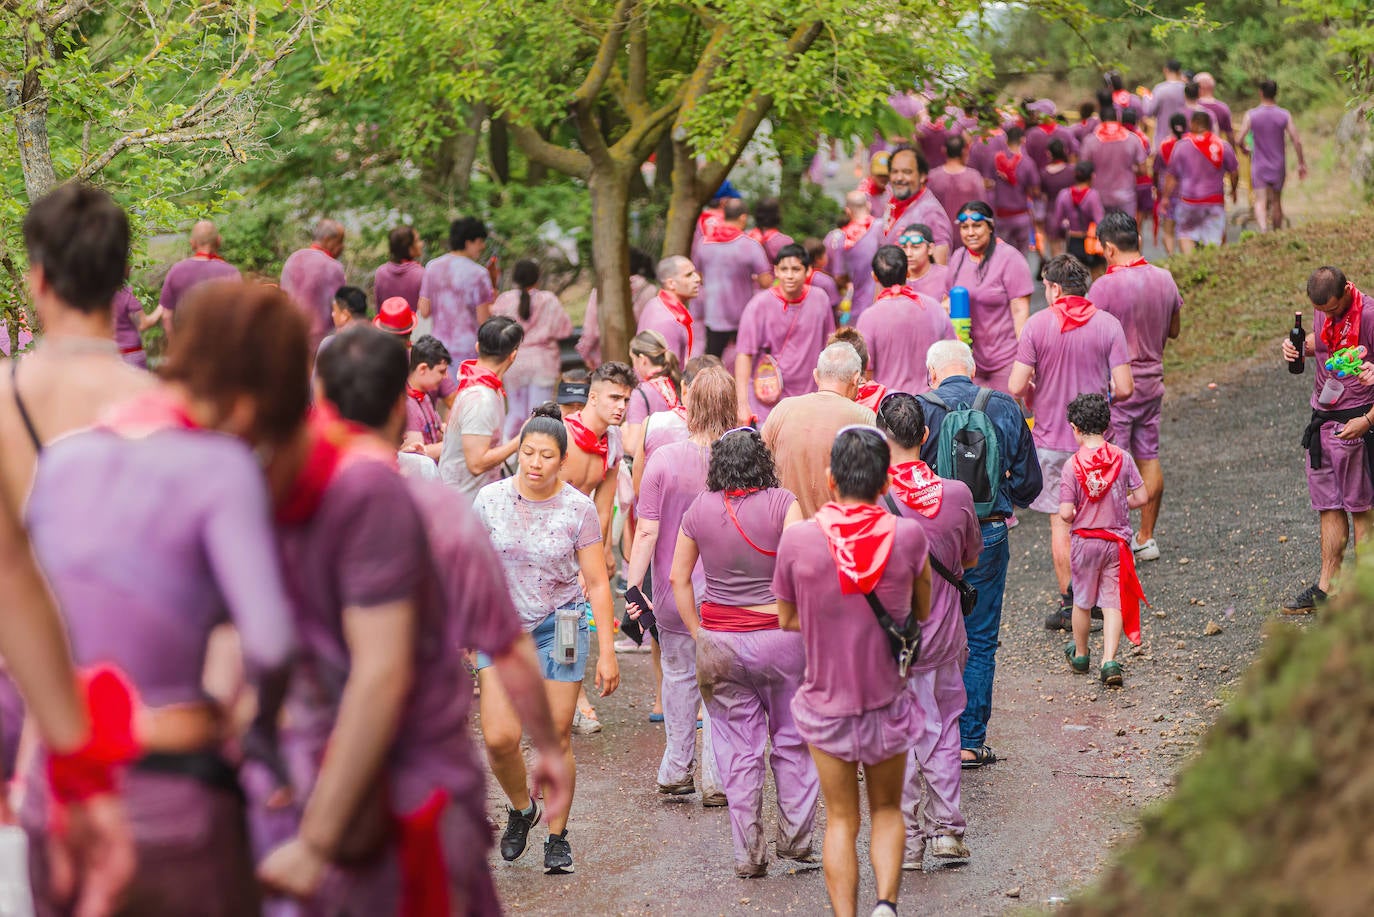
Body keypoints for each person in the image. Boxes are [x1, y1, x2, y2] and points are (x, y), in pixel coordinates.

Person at [23, 280, 303, 916]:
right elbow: (270, 642)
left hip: (59, 794)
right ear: (256, 397)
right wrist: (256, 737)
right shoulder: (219, 467)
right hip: (171, 791)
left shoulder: (62, 460)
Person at [313, 326, 570, 911]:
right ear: (395, 406)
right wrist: (550, 750)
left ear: (324, 403)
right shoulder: (437, 506)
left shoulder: (288, 504)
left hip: (318, 763)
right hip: (421, 772)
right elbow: (503, 637)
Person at [3, 182, 168, 915]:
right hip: (145, 696)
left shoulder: (4, 405)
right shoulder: (168, 411)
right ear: (121, 282)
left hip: (20, 697)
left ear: (36, 278)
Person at [774, 426, 932, 917]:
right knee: (886, 809)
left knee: (840, 819)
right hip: (886, 698)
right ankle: (885, 906)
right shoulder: (908, 536)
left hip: (825, 702)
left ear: (830, 480)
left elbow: (786, 618)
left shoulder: (799, 540)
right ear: (885, 483)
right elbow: (918, 611)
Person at [473, 404, 620, 874]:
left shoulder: (577, 508)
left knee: (555, 735)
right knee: (499, 738)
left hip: (565, 624)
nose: (534, 463)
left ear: (562, 460)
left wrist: (609, 654)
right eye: (528, 453)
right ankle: (522, 808)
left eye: (546, 456)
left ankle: (557, 838)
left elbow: (597, 583)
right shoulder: (490, 500)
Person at [672, 427, 815, 877]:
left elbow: (679, 578)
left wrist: (697, 631)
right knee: (793, 740)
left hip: (719, 643)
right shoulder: (783, 503)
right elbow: (804, 568)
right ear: (762, 461)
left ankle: (747, 856)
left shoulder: (699, 509)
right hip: (781, 639)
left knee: (737, 751)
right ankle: (795, 841)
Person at [920, 339, 1041, 767]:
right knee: (981, 639)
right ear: (971, 371)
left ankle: (928, 738)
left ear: (931, 372)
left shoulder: (921, 409)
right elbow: (1030, 485)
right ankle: (969, 742)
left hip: (929, 541)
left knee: (927, 633)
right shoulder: (1004, 407)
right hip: (988, 532)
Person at [875, 393, 981, 868]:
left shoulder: (873, 501)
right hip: (944, 635)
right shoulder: (957, 495)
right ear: (925, 436)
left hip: (889, 642)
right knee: (944, 729)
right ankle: (949, 832)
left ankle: (908, 844)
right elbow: (970, 559)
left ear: (881, 437)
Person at [626, 368, 737, 807]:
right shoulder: (743, 458)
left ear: (689, 405)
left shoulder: (664, 460)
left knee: (677, 677)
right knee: (721, 685)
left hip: (673, 591)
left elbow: (646, 533)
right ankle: (716, 779)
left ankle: (676, 767)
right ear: (730, 407)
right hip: (729, 593)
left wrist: (634, 589)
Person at [1009, 255, 1133, 631]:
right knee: (1100, 521)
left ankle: (1070, 603)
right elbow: (1125, 387)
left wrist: (1035, 389)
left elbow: (1015, 386)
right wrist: (1101, 397)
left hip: (1050, 441)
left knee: (1061, 525)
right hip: (1097, 444)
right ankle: (1099, 598)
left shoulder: (1037, 326)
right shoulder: (1109, 325)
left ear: (1054, 288)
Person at [1088, 211, 1184, 563]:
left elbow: (1091, 337)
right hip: (1153, 382)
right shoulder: (1165, 278)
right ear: (1138, 240)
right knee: (1149, 458)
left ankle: (1119, 539)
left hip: (1119, 387)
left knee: (1114, 464)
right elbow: (1174, 330)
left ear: (1109, 248)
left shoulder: (1103, 287)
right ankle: (1146, 537)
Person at [1281, 267, 1374, 612]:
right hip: (1321, 425)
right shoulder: (1323, 316)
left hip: (1357, 425)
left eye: (1334, 310)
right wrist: (1295, 349)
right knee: (1328, 507)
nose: (1329, 317)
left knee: (1362, 509)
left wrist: (1366, 421)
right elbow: (1321, 347)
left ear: (1348, 291)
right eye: (1323, 311)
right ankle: (1327, 588)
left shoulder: (1369, 315)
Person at [1059, 393, 1149, 687]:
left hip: (1085, 543)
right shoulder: (1123, 458)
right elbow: (1143, 496)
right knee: (1112, 602)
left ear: (1075, 428)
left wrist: (1075, 511)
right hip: (1116, 543)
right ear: (1108, 426)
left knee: (1082, 601)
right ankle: (1109, 660)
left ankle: (1082, 654)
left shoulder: (1072, 465)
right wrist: (1121, 503)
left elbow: (1064, 513)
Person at [762, 343, 875, 518]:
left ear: (816, 376)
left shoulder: (782, 410)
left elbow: (760, 467)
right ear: (856, 379)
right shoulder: (865, 418)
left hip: (786, 534)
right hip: (839, 534)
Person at [734, 243, 836, 426]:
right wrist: (742, 404)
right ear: (776, 271)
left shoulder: (820, 299)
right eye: (784, 269)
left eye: (796, 269)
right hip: (767, 398)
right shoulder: (759, 305)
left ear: (808, 271)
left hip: (809, 397)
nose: (789, 275)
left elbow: (830, 346)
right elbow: (744, 355)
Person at [944, 201, 1034, 394]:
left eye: (977, 226)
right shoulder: (958, 258)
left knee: (1002, 418)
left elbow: (1020, 312)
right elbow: (946, 301)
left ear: (991, 227)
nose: (970, 232)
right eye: (965, 227)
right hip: (969, 359)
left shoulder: (1010, 258)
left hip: (1005, 358)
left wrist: (1025, 358)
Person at [438, 316, 523, 499]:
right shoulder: (480, 399)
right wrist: (520, 440)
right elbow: (476, 464)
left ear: (477, 347)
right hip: (462, 504)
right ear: (513, 355)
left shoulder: (484, 386)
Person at [856, 246, 955, 396]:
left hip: (889, 406)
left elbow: (866, 371)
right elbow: (952, 355)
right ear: (907, 272)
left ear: (874, 277)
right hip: (931, 402)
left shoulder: (869, 317)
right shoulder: (934, 307)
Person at [492, 259, 574, 436]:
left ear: (515, 279)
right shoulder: (548, 300)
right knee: (539, 412)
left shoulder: (504, 300)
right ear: (537, 279)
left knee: (515, 412)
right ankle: (533, 450)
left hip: (514, 362)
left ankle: (506, 454)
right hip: (542, 363)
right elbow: (565, 330)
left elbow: (496, 329)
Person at [692, 198, 773, 359]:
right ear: (743, 218)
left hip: (714, 315)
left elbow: (698, 277)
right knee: (748, 358)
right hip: (744, 315)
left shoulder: (704, 243)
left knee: (712, 361)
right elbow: (766, 282)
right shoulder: (751, 245)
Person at [419, 216, 497, 363]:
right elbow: (483, 320)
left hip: (438, 348)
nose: (483, 246)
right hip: (467, 349)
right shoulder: (479, 274)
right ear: (469, 242)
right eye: (480, 242)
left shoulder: (432, 267)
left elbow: (424, 310)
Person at [1237, 80, 1308, 233]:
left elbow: (1239, 139)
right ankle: (1276, 233)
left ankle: (1263, 230)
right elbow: (1296, 140)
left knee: (1260, 200)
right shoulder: (1284, 114)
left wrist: (1245, 149)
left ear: (1260, 93)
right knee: (1277, 201)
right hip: (1278, 164)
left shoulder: (1252, 115)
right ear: (1276, 93)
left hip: (1259, 164)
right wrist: (1301, 163)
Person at [1164, 110, 1239, 251]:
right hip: (1214, 203)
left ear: (1194, 123)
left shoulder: (1181, 145)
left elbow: (1171, 176)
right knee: (1214, 244)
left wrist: (1166, 198)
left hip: (1188, 202)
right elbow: (1234, 172)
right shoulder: (1223, 146)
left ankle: (1190, 266)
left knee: (1186, 235)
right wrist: (1234, 190)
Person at [157, 219, 241, 338]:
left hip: (187, 345)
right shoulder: (231, 272)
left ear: (192, 243)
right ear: (218, 241)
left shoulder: (177, 270)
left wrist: (173, 344)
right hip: (221, 347)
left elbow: (166, 316)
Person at [581, 248, 659, 367]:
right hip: (644, 359)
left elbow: (590, 330)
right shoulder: (651, 291)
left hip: (608, 357)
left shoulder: (601, 292)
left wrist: (585, 353)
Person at [280, 218, 346, 350]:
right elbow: (342, 310)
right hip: (322, 345)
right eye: (340, 242)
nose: (342, 247)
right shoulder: (334, 267)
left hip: (292, 338)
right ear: (327, 240)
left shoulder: (293, 259)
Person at [881, 147, 953, 264]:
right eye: (895, 172)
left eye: (907, 172)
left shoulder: (931, 212)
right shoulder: (893, 204)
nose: (899, 178)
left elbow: (940, 265)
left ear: (922, 176)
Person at [1079, 106, 1148, 219]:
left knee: (1102, 233)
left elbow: (1083, 169)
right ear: (1117, 119)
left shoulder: (1090, 140)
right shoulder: (1132, 139)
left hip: (1099, 196)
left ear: (1100, 120)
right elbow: (1143, 170)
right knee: (1125, 232)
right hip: (1125, 196)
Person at [624, 330, 683, 458]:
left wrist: (621, 433)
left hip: (656, 467)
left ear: (643, 360)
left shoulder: (640, 393)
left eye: (633, 360)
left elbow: (633, 447)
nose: (634, 366)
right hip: (683, 459)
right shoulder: (679, 383)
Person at [826, 190, 882, 319]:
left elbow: (839, 276)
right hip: (882, 301)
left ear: (847, 211)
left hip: (855, 306)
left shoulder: (839, 238)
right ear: (869, 206)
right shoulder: (883, 228)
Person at [925, 136, 989, 247]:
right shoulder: (973, 177)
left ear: (944, 150)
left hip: (939, 234)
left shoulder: (933, 177)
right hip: (968, 234)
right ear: (964, 151)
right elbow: (983, 207)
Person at [639, 255, 699, 369]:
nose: (697, 279)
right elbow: (668, 371)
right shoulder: (667, 320)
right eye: (689, 275)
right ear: (671, 283)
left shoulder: (656, 304)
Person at [988, 126, 1041, 254]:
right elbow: (1035, 190)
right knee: (1022, 253)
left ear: (1006, 141)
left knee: (1002, 253)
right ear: (1023, 140)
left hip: (1001, 216)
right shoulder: (1028, 163)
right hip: (1021, 215)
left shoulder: (995, 160)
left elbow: (989, 183)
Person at [401, 334, 451, 461]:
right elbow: (418, 455)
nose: (445, 377)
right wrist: (457, 442)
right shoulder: (407, 404)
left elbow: (438, 431)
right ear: (422, 368)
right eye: (441, 371)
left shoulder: (425, 396)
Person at [1053, 162, 1106, 272]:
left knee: (1075, 277)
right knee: (1096, 274)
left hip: (1072, 240)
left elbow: (1057, 221)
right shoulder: (1093, 196)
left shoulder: (1064, 194)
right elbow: (1100, 222)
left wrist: (1064, 230)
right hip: (1090, 241)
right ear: (1092, 176)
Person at [1154, 113, 1190, 254]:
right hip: (1189, 192)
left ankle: (1172, 256)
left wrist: (1157, 188)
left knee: (1168, 230)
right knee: (1186, 232)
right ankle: (1187, 259)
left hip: (1170, 192)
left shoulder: (1164, 145)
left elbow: (1156, 169)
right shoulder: (1192, 143)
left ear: (1170, 127)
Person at [1037, 139, 1077, 257]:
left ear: (1049, 153)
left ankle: (1059, 273)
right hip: (1070, 212)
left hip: (1051, 213)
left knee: (1055, 249)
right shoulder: (1072, 171)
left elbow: (1042, 195)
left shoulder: (1044, 173)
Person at [373, 224, 425, 312]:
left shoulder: (380, 273)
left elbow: (379, 308)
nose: (422, 244)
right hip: (415, 325)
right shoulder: (421, 274)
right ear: (408, 247)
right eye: (417, 241)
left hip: (386, 325)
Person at [111, 282, 157, 368]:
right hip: (131, 354)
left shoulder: (97, 293)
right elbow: (143, 324)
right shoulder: (128, 291)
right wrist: (163, 306)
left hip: (108, 354)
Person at [1145, 59, 1188, 151]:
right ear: (1179, 72)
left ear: (1165, 70)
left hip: (1162, 140)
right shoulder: (1186, 89)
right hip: (1183, 140)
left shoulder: (1160, 89)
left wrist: (1146, 98)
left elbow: (1149, 111)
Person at [897, 224, 948, 300]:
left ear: (930, 248)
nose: (908, 254)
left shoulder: (947, 276)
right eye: (904, 247)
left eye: (915, 247)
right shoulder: (895, 277)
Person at [1195, 72, 1236, 146]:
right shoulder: (1223, 108)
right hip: (1215, 150)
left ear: (1199, 87)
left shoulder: (1194, 107)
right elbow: (1230, 135)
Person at [803, 237, 843, 310]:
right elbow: (834, 304)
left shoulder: (801, 275)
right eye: (825, 254)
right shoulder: (826, 280)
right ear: (818, 259)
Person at [859, 150, 892, 214]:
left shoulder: (893, 191)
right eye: (879, 174)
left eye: (886, 175)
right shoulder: (864, 194)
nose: (883, 178)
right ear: (871, 173)